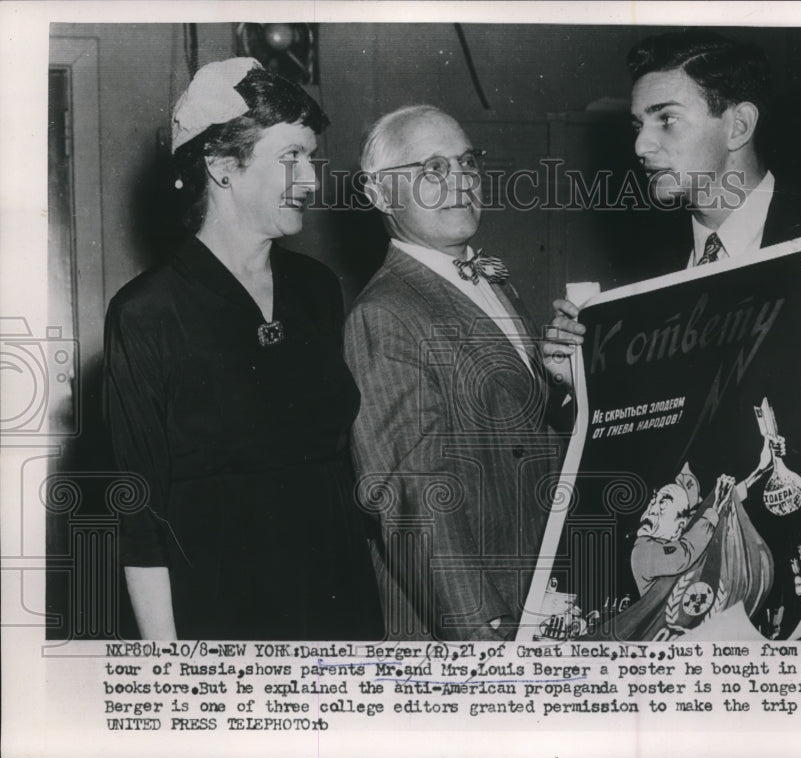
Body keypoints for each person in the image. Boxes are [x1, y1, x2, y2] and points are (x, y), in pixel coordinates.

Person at [544, 30, 801, 639]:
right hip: (705, 616)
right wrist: (581, 388)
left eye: (665, 121)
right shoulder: (643, 286)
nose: (642, 145)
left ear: (737, 127)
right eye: (637, 125)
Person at [104, 58, 383, 640]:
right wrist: (169, 672)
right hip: (225, 607)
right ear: (223, 166)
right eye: (290, 159)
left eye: (310, 157)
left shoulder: (316, 289)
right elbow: (141, 517)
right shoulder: (148, 313)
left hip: (337, 592)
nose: (309, 179)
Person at [344, 105, 572, 641]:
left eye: (467, 163)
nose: (461, 182)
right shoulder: (384, 313)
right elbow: (409, 493)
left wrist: (560, 386)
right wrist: (481, 626)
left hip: (535, 589)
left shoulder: (493, 279)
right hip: (472, 615)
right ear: (379, 195)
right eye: (432, 169)